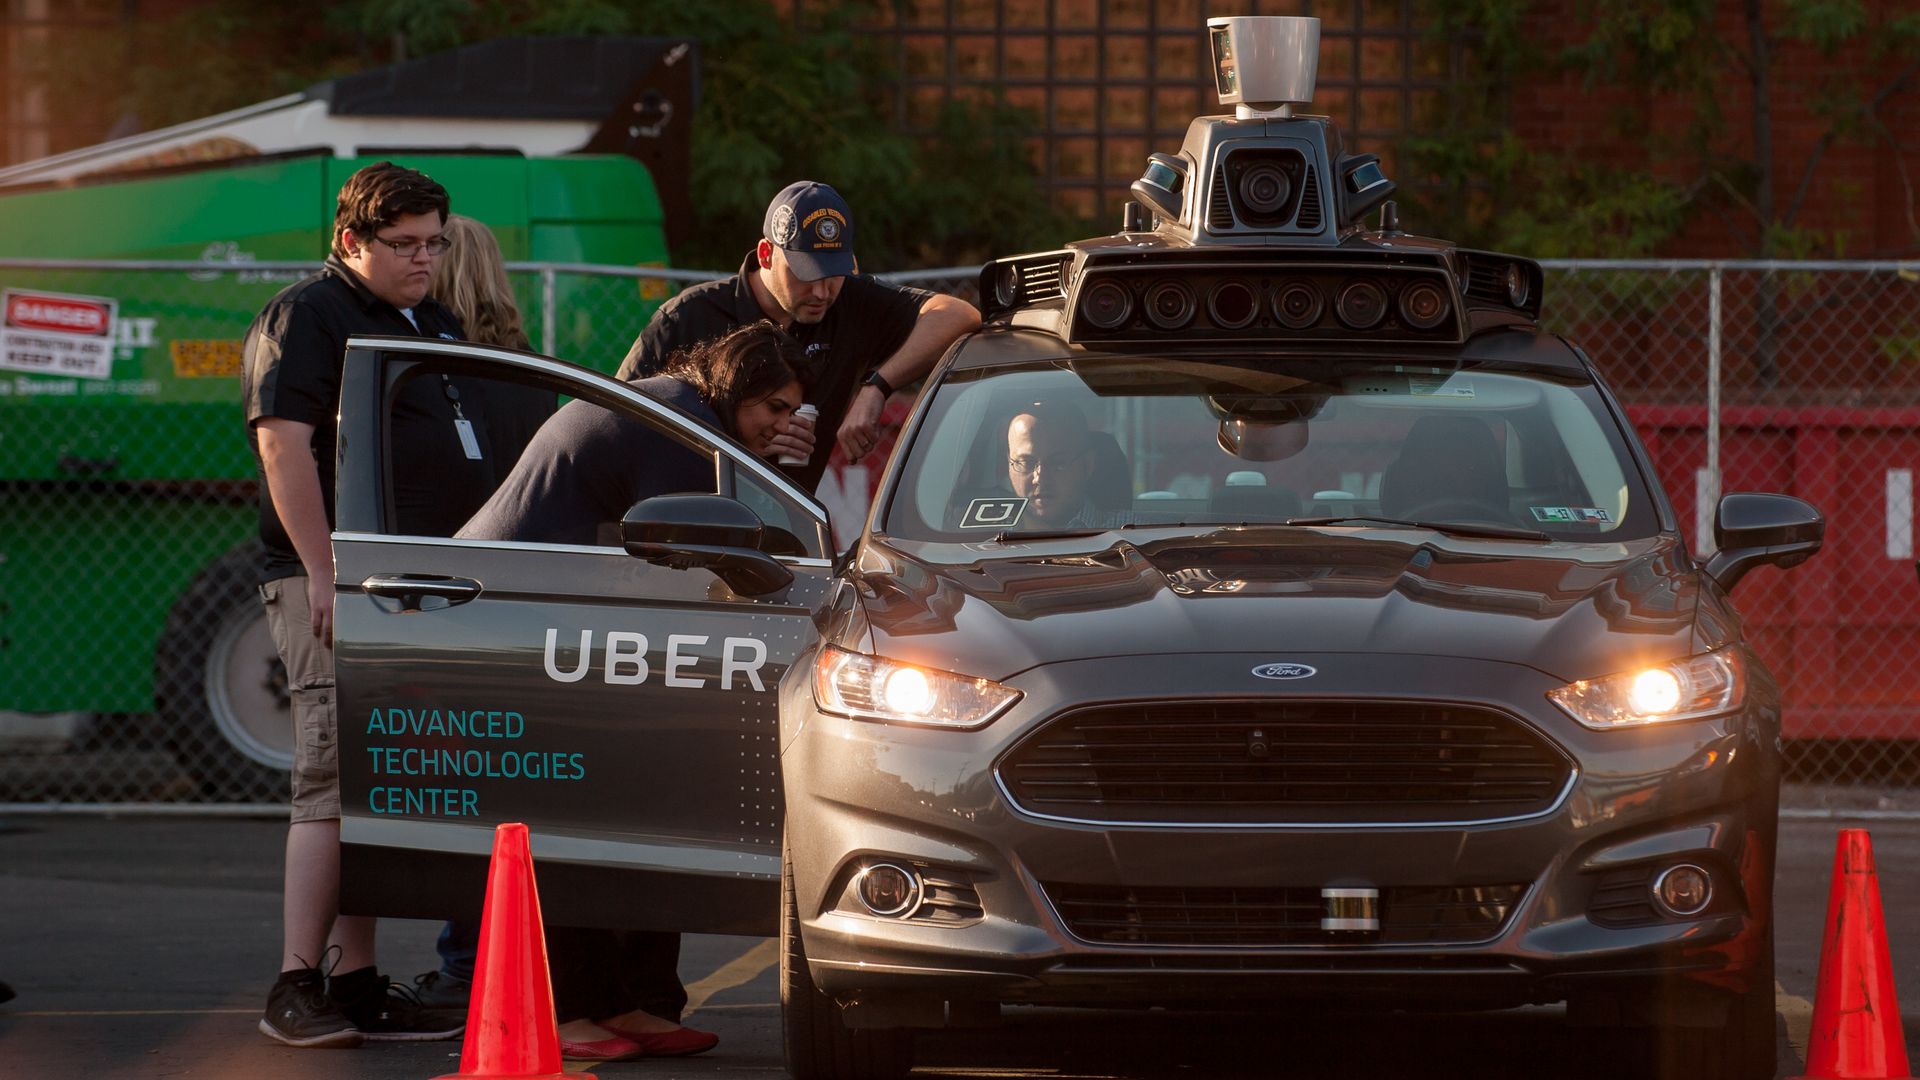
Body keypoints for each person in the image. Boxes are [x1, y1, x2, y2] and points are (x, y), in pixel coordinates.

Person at [457, 321, 810, 1061]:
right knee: (581, 811)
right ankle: (572, 1007)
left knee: (642, 798)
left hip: (552, 610)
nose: (786, 424)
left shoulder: (685, 412)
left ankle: (634, 1001)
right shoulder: (677, 428)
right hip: (512, 614)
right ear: (738, 389)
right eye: (775, 409)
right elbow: (681, 553)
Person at [242, 161, 480, 1048]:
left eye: (434, 242)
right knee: (333, 780)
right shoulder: (309, 314)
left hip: (414, 588)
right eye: (403, 244)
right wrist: (325, 571)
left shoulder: (432, 319)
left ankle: (358, 979)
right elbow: (285, 448)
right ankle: (295, 982)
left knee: (380, 788)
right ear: (351, 241)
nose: (425, 259)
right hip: (339, 583)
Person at [414, 213, 556, 1012]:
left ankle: (469, 967)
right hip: (533, 601)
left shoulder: (433, 374)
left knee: (461, 791)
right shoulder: (534, 377)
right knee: (517, 794)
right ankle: (518, 965)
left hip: (448, 597)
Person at [615, 180, 979, 490]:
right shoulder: (688, 317)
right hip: (681, 527)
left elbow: (959, 315)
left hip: (789, 528)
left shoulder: (851, 302)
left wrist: (876, 387)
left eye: (834, 273)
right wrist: (743, 438)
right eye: (806, 273)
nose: (822, 292)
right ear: (765, 255)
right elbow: (616, 424)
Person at [1004, 405, 1118, 530]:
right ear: (1008, 465)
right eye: (1027, 463)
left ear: (1088, 464)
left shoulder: (1135, 534)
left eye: (1058, 463)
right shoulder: (984, 542)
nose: (1040, 478)